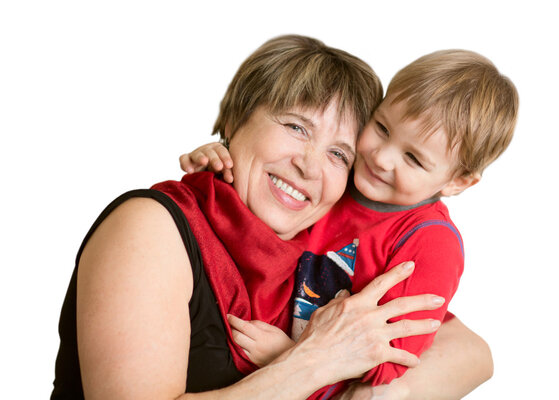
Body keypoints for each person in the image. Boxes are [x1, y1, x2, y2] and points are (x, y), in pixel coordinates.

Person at [52, 35, 492, 400]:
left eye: (339, 154)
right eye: (297, 127)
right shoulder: (152, 227)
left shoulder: (318, 255)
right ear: (237, 118)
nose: (310, 166)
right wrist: (313, 361)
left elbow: (470, 352)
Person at [180, 48, 517, 398]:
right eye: (382, 128)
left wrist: (291, 357)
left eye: (413, 158)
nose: (381, 158)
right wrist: (222, 158)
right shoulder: (340, 181)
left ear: (458, 181)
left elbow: (392, 361)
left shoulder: (429, 241)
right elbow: (250, 222)